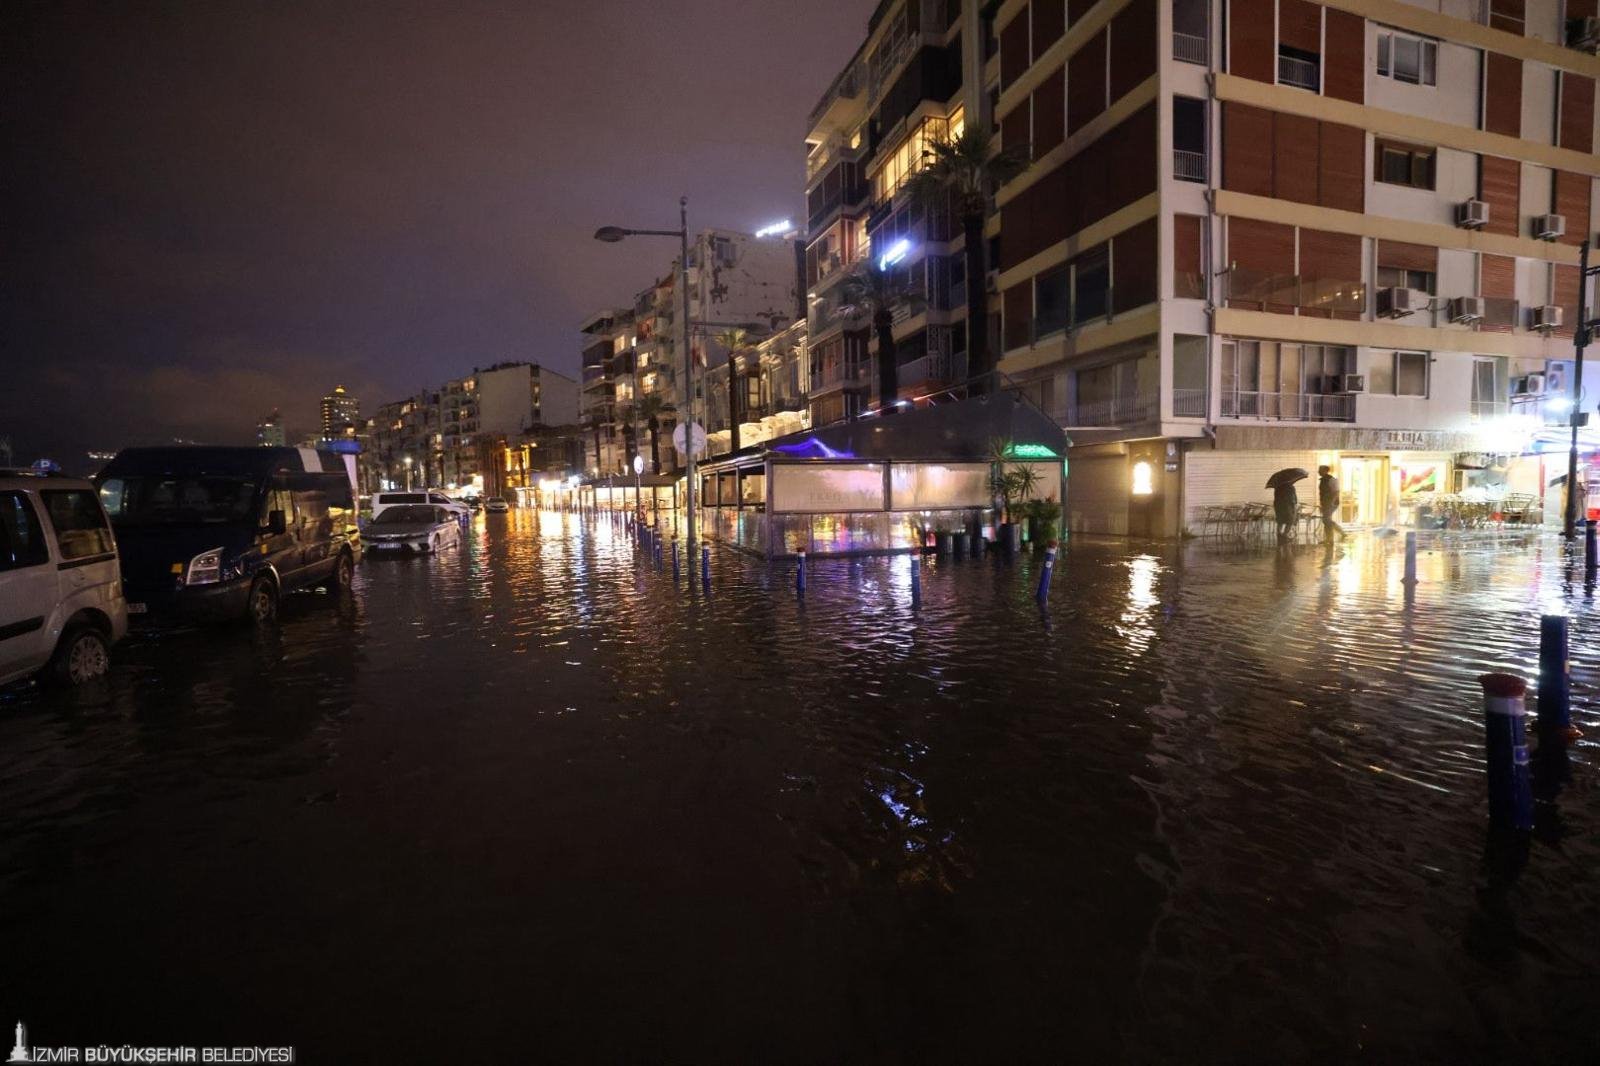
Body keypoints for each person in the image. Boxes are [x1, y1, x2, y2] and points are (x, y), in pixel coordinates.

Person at [1318, 465, 1345, 540]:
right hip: (1325, 502)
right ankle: (1329, 538)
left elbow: (1336, 492)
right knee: (1326, 520)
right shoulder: (1322, 480)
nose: (1318, 471)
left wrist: (1331, 502)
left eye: (1320, 470)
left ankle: (1339, 533)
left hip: (1332, 503)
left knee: (1326, 519)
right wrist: (1322, 503)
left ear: (1326, 471)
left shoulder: (1332, 480)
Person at [1273, 480, 1298, 544]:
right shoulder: (1291, 487)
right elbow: (1293, 498)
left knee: (1280, 521)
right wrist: (1295, 506)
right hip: (1288, 506)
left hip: (1279, 507)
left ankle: (1279, 534)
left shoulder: (1277, 487)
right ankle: (1285, 535)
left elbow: (1276, 498)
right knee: (1290, 521)